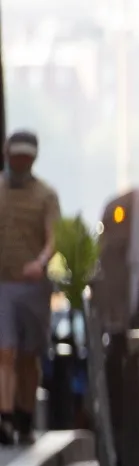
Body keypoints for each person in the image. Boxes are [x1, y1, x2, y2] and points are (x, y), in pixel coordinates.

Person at [0, 132, 58, 446]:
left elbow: (53, 237)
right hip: (3, 284)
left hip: (33, 286)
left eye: (25, 157)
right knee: (5, 351)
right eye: (15, 156)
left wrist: (41, 261)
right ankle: (5, 416)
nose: (19, 162)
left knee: (27, 355)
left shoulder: (45, 195)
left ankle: (24, 414)